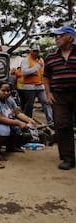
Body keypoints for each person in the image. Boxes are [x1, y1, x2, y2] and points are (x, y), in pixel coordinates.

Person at [43, 25, 76, 170]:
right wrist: (48, 93)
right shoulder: (51, 57)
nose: (56, 39)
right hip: (59, 96)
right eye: (56, 36)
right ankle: (68, 158)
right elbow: (46, 77)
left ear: (70, 37)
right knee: (62, 126)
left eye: (60, 36)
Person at [0, 81, 37, 161]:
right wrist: (18, 123)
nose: (6, 93)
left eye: (8, 91)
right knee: (4, 130)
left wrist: (29, 120)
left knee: (18, 128)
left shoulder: (9, 99)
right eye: (3, 91)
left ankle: (11, 147)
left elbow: (18, 113)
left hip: (7, 119)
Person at [21, 44, 53, 126]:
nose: (36, 53)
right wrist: (36, 68)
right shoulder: (26, 60)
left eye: (37, 51)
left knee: (46, 102)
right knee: (29, 105)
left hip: (40, 86)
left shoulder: (41, 60)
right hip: (29, 87)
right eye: (34, 51)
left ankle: (50, 121)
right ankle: (28, 121)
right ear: (30, 51)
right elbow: (24, 72)